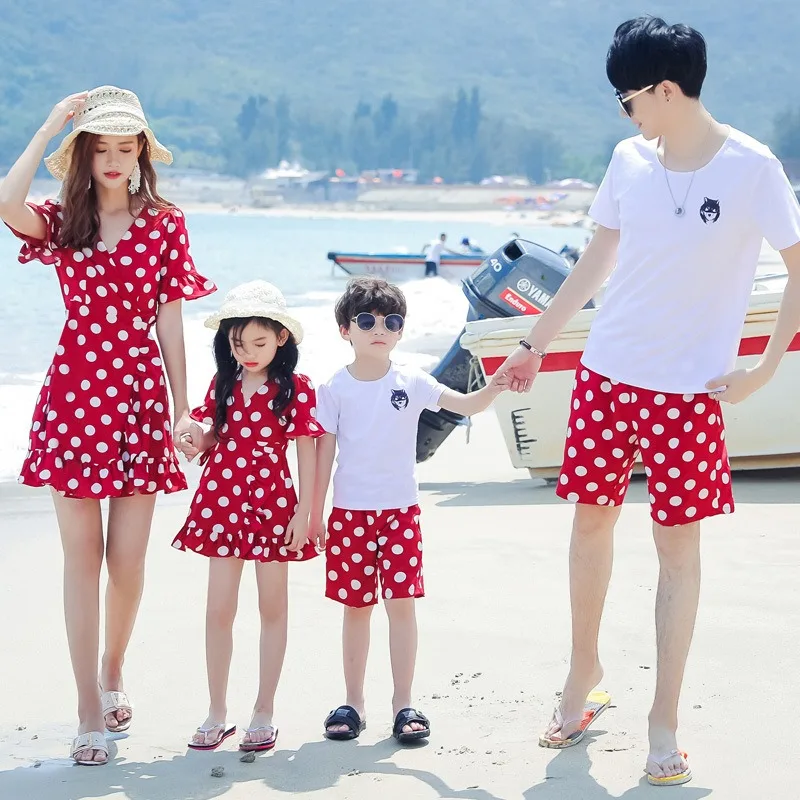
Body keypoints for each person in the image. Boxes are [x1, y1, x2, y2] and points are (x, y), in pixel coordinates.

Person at [496, 17, 800, 787]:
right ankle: (583, 676)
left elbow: (798, 264)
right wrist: (535, 341)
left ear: (666, 89)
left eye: (626, 98)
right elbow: (598, 257)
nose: (624, 113)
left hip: (690, 395)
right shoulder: (630, 159)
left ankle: (664, 718)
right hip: (606, 378)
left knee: (676, 550)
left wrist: (762, 370)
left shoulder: (752, 168)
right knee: (590, 524)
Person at [0, 86, 216, 766]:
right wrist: (49, 124)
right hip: (73, 401)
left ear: (142, 154)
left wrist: (185, 408)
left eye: (127, 148)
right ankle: (88, 711)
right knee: (81, 560)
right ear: (84, 156)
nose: (115, 160)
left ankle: (113, 666)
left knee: (126, 563)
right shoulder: (63, 222)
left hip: (139, 399)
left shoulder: (165, 224)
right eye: (102, 148)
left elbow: (171, 324)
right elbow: (5, 202)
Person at [310, 276, 508, 744]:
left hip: (400, 513)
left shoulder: (412, 381)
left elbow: (467, 404)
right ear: (345, 330)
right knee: (356, 610)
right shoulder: (334, 388)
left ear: (400, 332)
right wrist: (313, 513)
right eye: (367, 320)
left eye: (391, 321)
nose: (380, 328)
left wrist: (499, 382)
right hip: (349, 515)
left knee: (401, 607)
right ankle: (352, 703)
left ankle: (403, 703)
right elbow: (323, 456)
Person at [173, 281, 324, 753]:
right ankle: (216, 711)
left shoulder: (296, 387)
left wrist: (307, 512)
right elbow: (214, 437)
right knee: (219, 609)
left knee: (272, 607)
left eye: (259, 342)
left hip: (274, 502)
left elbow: (308, 451)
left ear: (281, 337)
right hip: (223, 499)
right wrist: (194, 438)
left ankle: (264, 709)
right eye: (238, 344)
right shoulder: (223, 383)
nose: (248, 352)